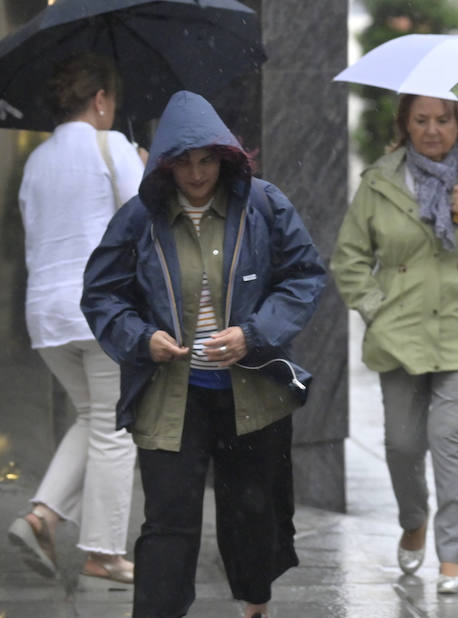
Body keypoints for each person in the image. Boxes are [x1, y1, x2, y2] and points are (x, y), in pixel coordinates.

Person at [81, 90, 326, 618]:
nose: (196, 174)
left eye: (207, 160)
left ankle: (255, 605)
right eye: (185, 163)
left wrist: (253, 333)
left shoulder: (263, 204)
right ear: (166, 164)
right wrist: (141, 337)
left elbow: (304, 276)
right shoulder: (139, 217)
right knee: (168, 524)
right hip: (171, 397)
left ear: (226, 158)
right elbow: (102, 294)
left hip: (252, 392)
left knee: (252, 518)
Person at [331, 93, 458, 592]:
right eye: (421, 120)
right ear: (405, 124)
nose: (433, 130)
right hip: (399, 335)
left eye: (443, 120)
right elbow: (350, 257)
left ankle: (452, 557)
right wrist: (377, 310)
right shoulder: (380, 180)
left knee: (450, 437)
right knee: (402, 445)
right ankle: (413, 518)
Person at [9, 53, 141, 587]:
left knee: (93, 418)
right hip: (101, 311)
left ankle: (41, 517)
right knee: (116, 429)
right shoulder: (113, 148)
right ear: (101, 100)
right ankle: (103, 553)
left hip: (47, 316)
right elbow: (144, 221)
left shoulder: (36, 160)